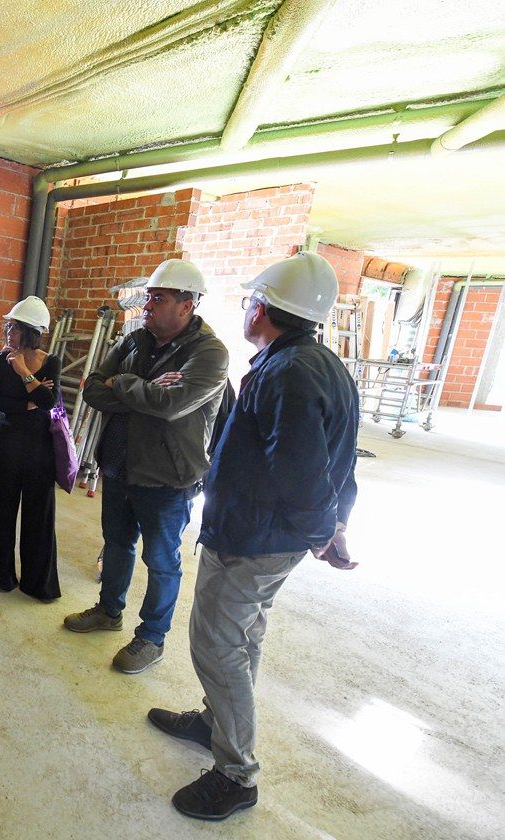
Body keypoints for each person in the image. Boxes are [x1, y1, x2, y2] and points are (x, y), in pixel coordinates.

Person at [148, 252, 359, 821]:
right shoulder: (317, 364)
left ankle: (235, 774)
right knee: (244, 636)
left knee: (216, 642)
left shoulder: (288, 374)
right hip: (266, 534)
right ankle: (215, 722)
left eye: (249, 301)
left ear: (262, 308)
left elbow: (301, 468)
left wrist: (322, 531)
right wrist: (336, 522)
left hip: (254, 539)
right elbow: (342, 460)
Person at [62, 259, 229, 674]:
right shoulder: (135, 340)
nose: (148, 306)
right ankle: (108, 611)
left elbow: (170, 405)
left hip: (166, 477)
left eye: (158, 298)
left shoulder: (209, 353)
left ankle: (151, 637)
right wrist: (138, 390)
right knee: (117, 545)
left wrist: (124, 385)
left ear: (187, 304)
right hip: (118, 465)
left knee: (161, 560)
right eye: (149, 297)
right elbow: (95, 389)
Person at [0, 296, 62, 601]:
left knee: (39, 512)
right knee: (3, 506)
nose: (8, 333)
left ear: (32, 332)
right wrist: (27, 401)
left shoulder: (50, 361)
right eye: (8, 326)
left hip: (40, 446)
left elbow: (48, 403)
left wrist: (23, 373)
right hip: (7, 442)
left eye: (14, 328)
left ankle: (37, 582)